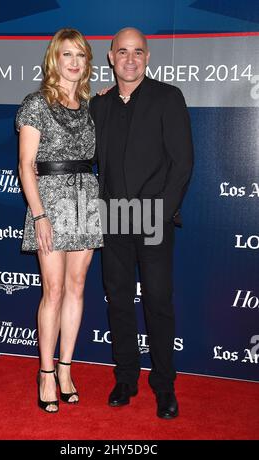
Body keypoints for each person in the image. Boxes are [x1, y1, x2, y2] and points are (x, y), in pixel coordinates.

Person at [90, 28, 193, 419]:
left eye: (138, 52)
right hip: (112, 218)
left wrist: (161, 213)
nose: (130, 59)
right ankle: (126, 377)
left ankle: (164, 386)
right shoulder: (98, 106)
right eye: (122, 52)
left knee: (158, 303)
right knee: (118, 302)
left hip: (153, 218)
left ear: (147, 57)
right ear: (111, 57)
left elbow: (182, 163)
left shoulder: (168, 97)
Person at [16, 28, 103, 413]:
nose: (73, 62)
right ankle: (46, 373)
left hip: (86, 198)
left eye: (80, 55)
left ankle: (67, 368)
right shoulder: (36, 104)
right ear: (54, 59)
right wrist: (39, 215)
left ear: (86, 63)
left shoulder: (89, 106)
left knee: (77, 285)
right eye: (66, 54)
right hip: (50, 200)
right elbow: (25, 165)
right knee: (52, 290)